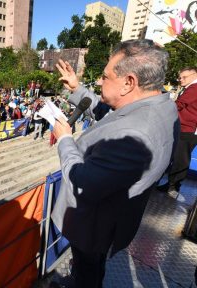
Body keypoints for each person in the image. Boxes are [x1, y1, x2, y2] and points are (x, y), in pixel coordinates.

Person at [51, 39, 179, 288]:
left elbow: (82, 182)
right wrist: (77, 89)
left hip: (95, 224)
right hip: (110, 219)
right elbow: (115, 115)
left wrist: (65, 139)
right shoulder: (158, 103)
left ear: (129, 82)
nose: (99, 81)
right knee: (89, 268)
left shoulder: (138, 131)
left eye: (104, 76)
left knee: (88, 271)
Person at [157, 67, 197, 194]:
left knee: (181, 158)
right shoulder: (190, 88)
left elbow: (179, 104)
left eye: (183, 77)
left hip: (188, 129)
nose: (180, 80)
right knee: (177, 156)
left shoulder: (194, 88)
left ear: (194, 75)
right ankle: (171, 184)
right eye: (179, 77)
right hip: (185, 127)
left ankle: (173, 186)